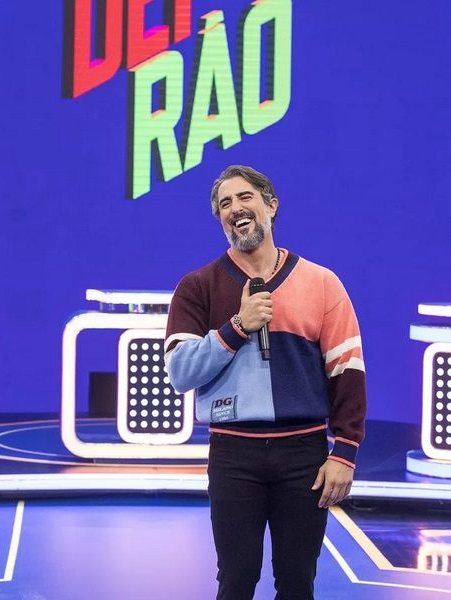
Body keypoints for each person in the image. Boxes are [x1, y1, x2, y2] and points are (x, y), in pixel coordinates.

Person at [164, 165, 366, 600]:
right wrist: (237, 327)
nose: (235, 208)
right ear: (220, 220)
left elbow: (347, 371)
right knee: (235, 581)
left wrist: (345, 453)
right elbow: (180, 373)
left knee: (297, 583)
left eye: (245, 197)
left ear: (271, 206)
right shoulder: (196, 287)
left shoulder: (322, 283)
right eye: (225, 204)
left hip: (304, 455)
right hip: (233, 454)